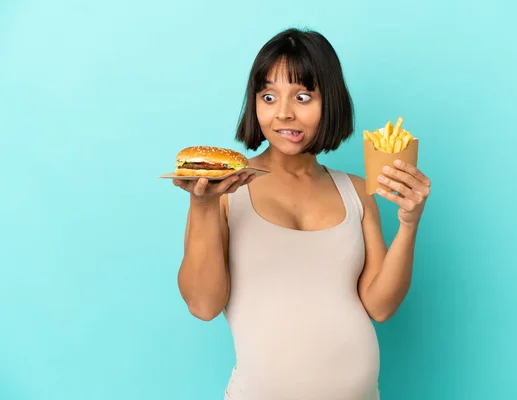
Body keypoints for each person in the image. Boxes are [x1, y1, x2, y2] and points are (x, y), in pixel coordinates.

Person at [173, 27, 431, 400]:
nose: (284, 113)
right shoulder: (226, 189)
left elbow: (380, 306)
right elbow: (203, 304)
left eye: (303, 96)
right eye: (268, 96)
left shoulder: (356, 191)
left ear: (332, 102)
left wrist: (409, 224)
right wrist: (203, 204)